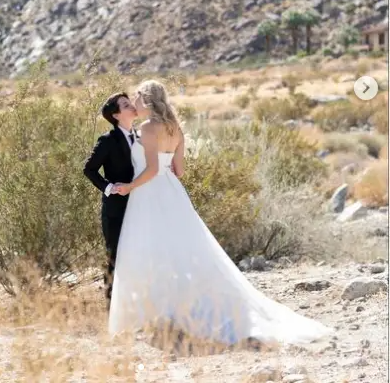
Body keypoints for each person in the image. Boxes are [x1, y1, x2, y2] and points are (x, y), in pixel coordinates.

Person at [108, 80, 333, 348]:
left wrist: (129, 187)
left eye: (138, 97)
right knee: (181, 250)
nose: (134, 102)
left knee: (152, 249)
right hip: (173, 193)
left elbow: (152, 169)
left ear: (147, 99)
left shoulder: (147, 128)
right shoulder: (174, 128)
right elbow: (178, 169)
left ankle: (158, 314)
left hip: (148, 193)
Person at [83, 92, 138, 308]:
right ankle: (111, 308)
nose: (132, 105)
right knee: (114, 257)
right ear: (116, 115)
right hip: (115, 210)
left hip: (140, 207)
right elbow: (88, 169)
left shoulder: (142, 137)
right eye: (126, 104)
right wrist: (108, 187)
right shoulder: (107, 140)